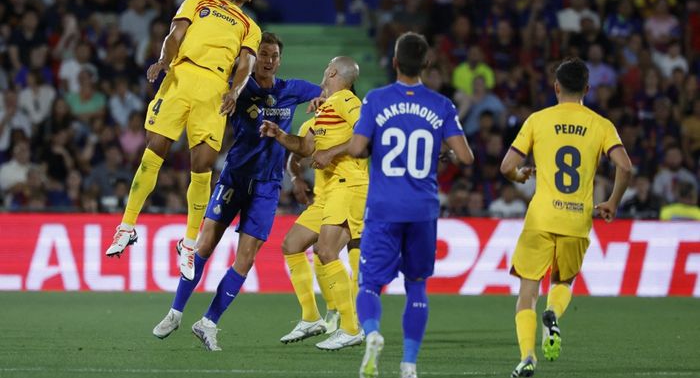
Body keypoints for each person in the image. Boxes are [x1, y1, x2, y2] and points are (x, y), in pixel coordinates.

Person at [151, 32, 322, 350]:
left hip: (268, 187)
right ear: (254, 60)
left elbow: (331, 94)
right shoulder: (239, 90)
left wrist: (322, 99)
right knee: (203, 246)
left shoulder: (291, 90)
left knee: (246, 259)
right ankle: (174, 313)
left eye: (274, 56)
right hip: (234, 179)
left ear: (279, 60)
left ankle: (208, 323)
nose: (269, 61)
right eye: (264, 55)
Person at [105, 0, 262, 282]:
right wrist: (164, 61)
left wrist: (234, 91)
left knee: (203, 166)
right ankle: (126, 226)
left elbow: (245, 65)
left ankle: (189, 243)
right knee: (155, 150)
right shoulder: (198, 2)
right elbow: (174, 35)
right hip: (181, 76)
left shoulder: (250, 27)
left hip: (215, 88)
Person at [348, 32, 474, 378]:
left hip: (384, 208)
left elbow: (357, 149)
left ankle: (373, 334)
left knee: (370, 285)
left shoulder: (375, 99)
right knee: (417, 285)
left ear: (394, 62)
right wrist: (441, 151)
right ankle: (409, 365)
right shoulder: (442, 105)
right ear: (427, 64)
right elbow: (465, 156)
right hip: (422, 209)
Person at [499, 58, 632, 377]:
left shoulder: (537, 120)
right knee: (563, 282)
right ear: (587, 89)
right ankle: (553, 314)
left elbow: (506, 167)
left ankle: (528, 357)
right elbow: (625, 167)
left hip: (540, 218)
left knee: (528, 292)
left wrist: (520, 177)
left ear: (556, 87)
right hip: (577, 219)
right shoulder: (601, 125)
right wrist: (612, 202)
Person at [260, 56, 366, 350]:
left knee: (326, 250)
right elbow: (305, 148)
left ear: (332, 71)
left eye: (325, 68)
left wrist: (331, 152)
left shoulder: (346, 100)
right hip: (329, 191)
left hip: (350, 185)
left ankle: (350, 327)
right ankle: (311, 318)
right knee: (291, 245)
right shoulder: (321, 112)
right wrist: (279, 134)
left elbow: (366, 137)